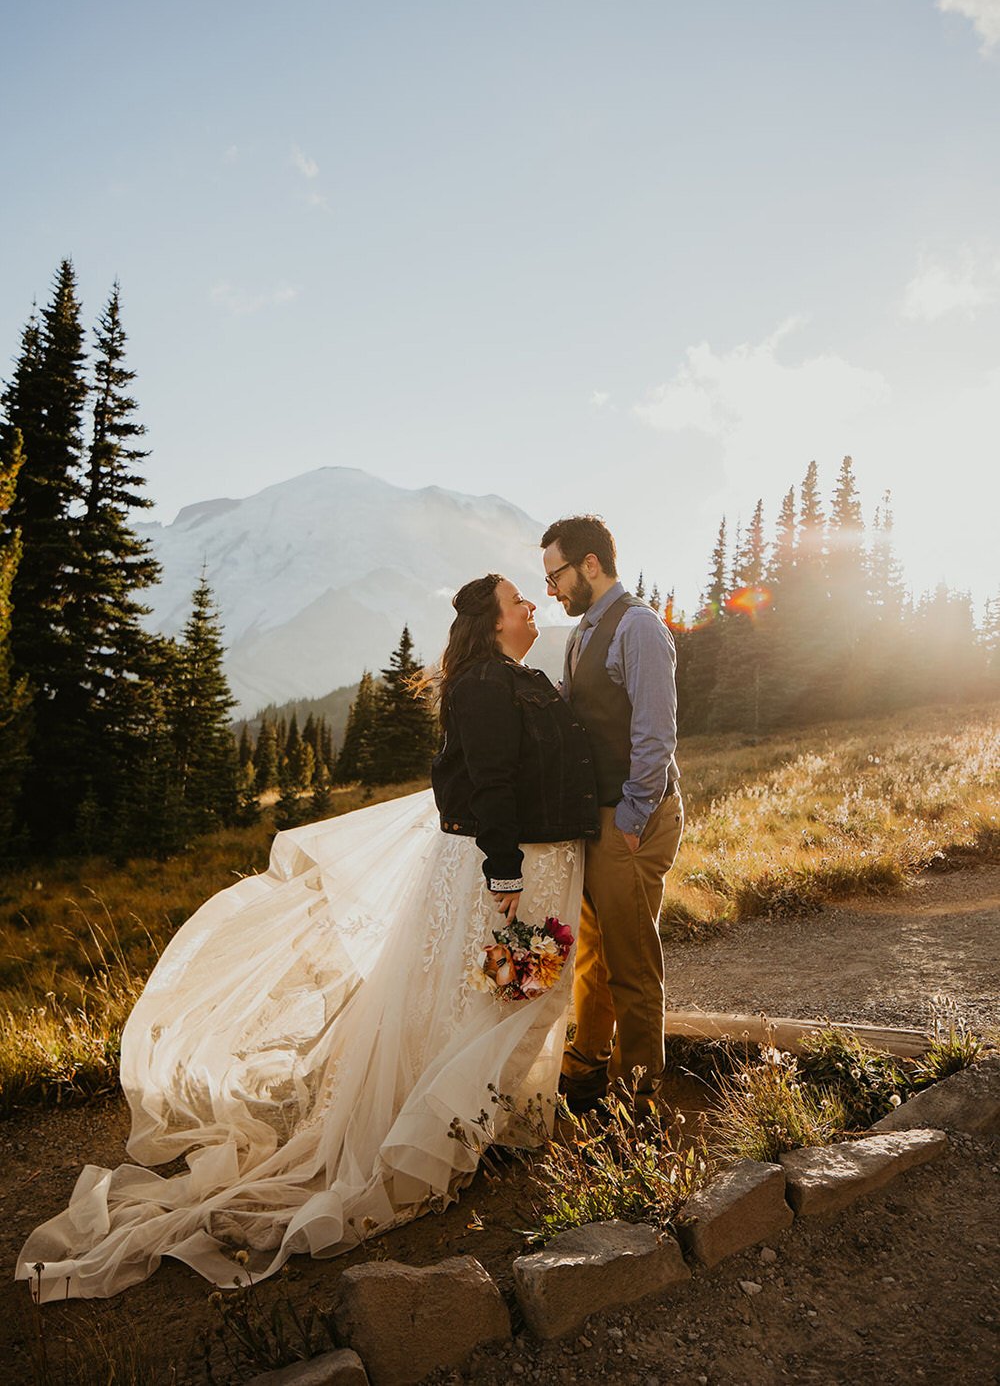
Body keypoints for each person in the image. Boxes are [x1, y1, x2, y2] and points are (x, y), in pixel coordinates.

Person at [17, 574, 598, 1302]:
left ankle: (468, 1125)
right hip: (513, 877)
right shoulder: (484, 684)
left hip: (534, 871)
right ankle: (443, 1136)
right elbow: (492, 782)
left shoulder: (508, 677)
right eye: (519, 601)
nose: (530, 608)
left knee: (510, 1000)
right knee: (516, 999)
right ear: (491, 621)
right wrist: (507, 873)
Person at [540, 516, 683, 1117]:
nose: (551, 590)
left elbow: (656, 736)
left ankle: (642, 1095)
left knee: (631, 960)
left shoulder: (639, 628)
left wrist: (628, 818)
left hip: (633, 818)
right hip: (599, 819)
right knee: (594, 952)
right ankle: (588, 1067)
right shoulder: (584, 633)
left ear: (591, 564)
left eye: (557, 575)